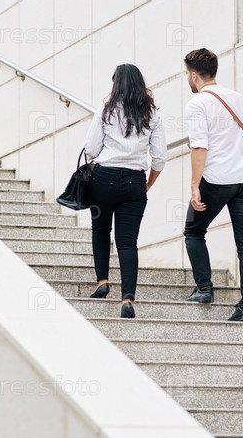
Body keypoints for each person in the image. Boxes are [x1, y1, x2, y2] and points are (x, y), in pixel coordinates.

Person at [182, 48, 243, 322]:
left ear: (194, 75)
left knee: (194, 230)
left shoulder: (197, 104)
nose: (188, 79)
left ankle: (204, 288)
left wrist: (195, 185)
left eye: (187, 74)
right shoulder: (240, 99)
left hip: (217, 179)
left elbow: (199, 147)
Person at [83, 64, 166, 319]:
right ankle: (128, 298)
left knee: (100, 230)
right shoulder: (152, 114)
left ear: (116, 84)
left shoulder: (105, 111)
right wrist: (147, 183)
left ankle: (102, 281)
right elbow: (160, 158)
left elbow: (91, 149)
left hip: (103, 178)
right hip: (134, 181)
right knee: (128, 242)